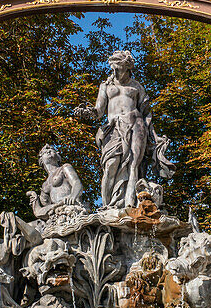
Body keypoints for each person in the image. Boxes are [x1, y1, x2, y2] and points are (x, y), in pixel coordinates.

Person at [74, 50, 173, 208]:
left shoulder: (136, 86)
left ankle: (129, 204)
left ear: (126, 67)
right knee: (110, 165)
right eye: (113, 67)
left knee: (134, 163)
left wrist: (155, 136)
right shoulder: (105, 86)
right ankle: (107, 206)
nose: (114, 71)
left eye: (117, 67)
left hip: (136, 123)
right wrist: (88, 112)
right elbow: (99, 111)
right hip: (113, 127)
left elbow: (147, 113)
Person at [28, 144, 84, 219]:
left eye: (51, 151)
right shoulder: (45, 185)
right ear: (41, 160)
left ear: (58, 157)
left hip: (70, 208)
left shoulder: (64, 168)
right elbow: (44, 209)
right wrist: (35, 199)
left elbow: (76, 183)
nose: (48, 152)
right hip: (56, 213)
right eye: (45, 152)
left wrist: (73, 196)